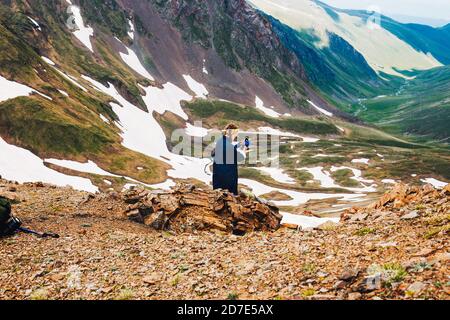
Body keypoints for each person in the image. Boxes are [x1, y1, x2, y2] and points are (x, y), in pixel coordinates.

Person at [212, 124, 246, 195]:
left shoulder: (220, 141)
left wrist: (237, 146)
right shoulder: (229, 146)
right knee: (229, 200)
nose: (236, 136)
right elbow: (240, 157)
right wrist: (244, 151)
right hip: (228, 181)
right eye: (236, 133)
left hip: (218, 180)